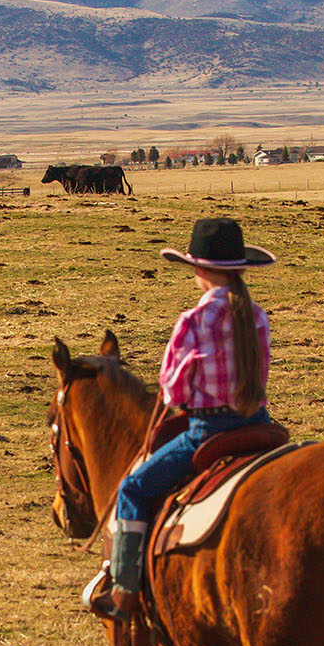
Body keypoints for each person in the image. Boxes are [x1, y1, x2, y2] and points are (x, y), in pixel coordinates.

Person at [101, 217, 275, 619]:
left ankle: (125, 589)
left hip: (208, 431)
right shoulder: (257, 316)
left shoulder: (193, 321)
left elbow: (173, 390)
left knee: (133, 489)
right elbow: (261, 373)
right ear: (239, 269)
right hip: (259, 424)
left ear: (199, 270)